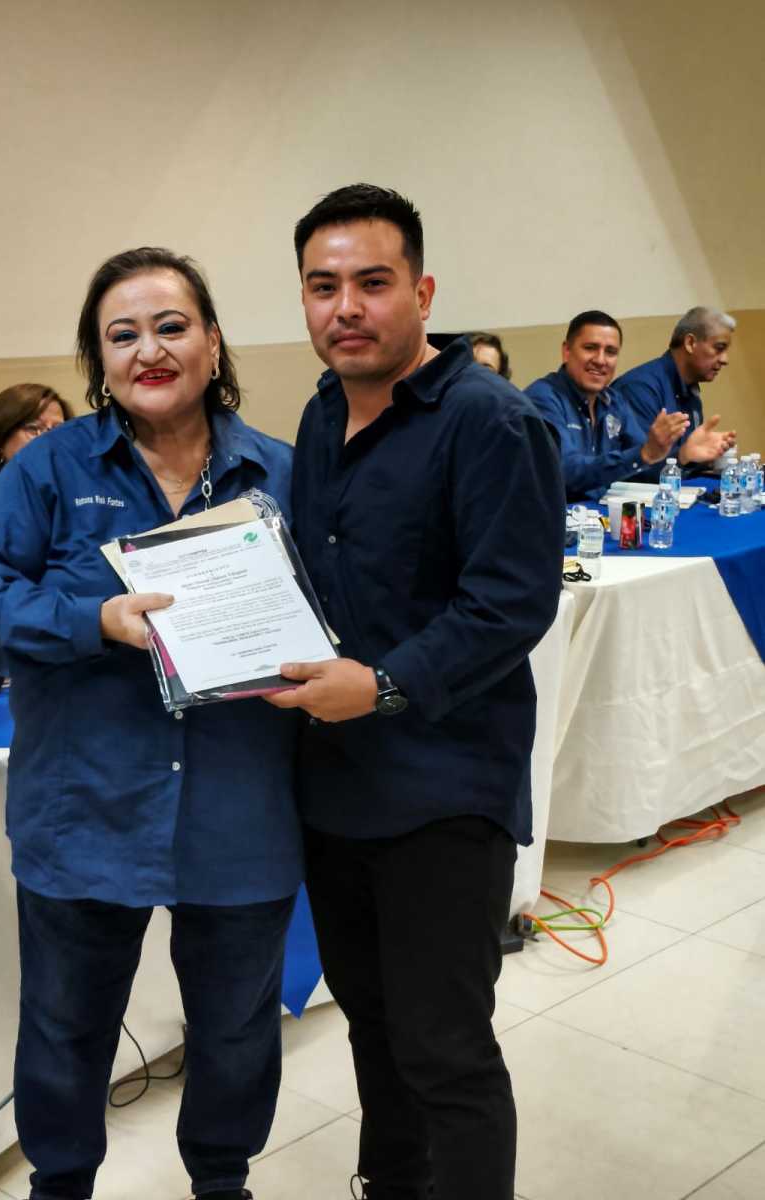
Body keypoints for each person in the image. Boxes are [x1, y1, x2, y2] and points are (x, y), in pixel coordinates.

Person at [0, 247, 302, 1200]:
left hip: (240, 808)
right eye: (123, 334)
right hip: (84, 809)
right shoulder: (46, 471)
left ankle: (221, 1180)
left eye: (172, 327)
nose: (150, 350)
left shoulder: (283, 473)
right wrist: (89, 621)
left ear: (212, 341)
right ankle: (61, 1186)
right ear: (98, 359)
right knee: (65, 1032)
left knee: (237, 1030)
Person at [267, 183, 565, 1200]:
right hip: (337, 788)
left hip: (444, 790)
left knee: (446, 1049)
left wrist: (387, 686)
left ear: (423, 293)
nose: (346, 307)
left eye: (373, 282)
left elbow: (511, 604)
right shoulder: (320, 416)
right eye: (323, 286)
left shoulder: (493, 422)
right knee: (374, 1023)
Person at [525, 311, 728, 500]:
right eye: (590, 348)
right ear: (567, 351)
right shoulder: (543, 398)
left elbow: (639, 468)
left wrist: (682, 455)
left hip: (600, 514)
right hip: (558, 518)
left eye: (611, 352)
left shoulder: (613, 401)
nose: (600, 360)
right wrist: (643, 454)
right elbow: (566, 473)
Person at [616, 306, 737, 468]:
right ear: (690, 343)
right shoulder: (640, 389)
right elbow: (638, 467)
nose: (725, 360)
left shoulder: (690, 388)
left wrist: (708, 456)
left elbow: (685, 460)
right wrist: (683, 455)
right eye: (719, 348)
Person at [0, 383, 73, 526]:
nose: (49, 439)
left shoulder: (54, 489)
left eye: (58, 429)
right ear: (0, 437)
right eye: (33, 428)